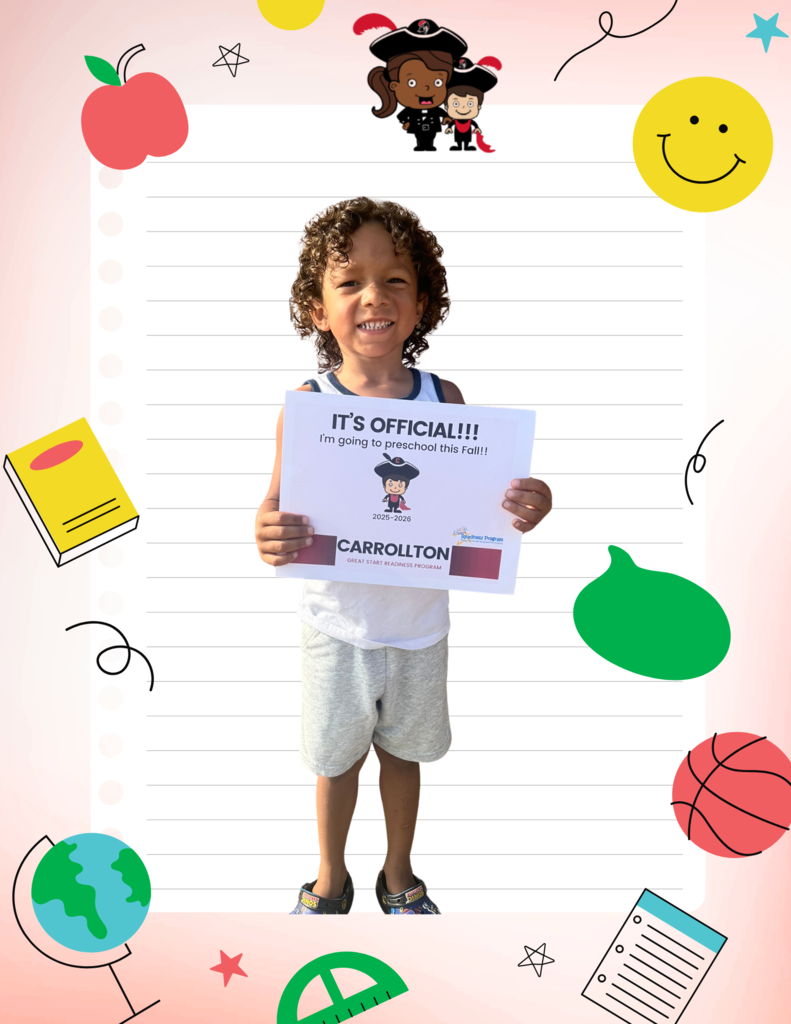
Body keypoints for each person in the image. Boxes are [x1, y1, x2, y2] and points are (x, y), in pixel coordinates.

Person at [254, 197, 553, 914]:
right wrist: (269, 536)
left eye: (394, 280)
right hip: (337, 625)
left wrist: (526, 506)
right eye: (349, 280)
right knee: (334, 760)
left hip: (420, 626)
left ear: (421, 303)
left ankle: (398, 874)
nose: (373, 296)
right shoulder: (307, 402)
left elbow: (484, 508)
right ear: (318, 308)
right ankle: (328, 880)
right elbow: (273, 510)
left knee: (405, 752)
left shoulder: (446, 399)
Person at [356, 16, 468, 152]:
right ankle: (421, 145)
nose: (427, 88)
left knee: (430, 137)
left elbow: (442, 114)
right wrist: (406, 122)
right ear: (394, 86)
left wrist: (446, 119)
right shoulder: (410, 110)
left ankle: (430, 145)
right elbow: (402, 116)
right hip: (417, 127)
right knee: (420, 137)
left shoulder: (436, 109)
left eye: (438, 82)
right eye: (412, 82)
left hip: (432, 127)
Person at [442, 56, 499, 151]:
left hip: (468, 132)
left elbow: (473, 123)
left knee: (467, 139)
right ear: (446, 106)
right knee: (458, 139)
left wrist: (476, 128)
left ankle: (467, 146)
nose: (463, 108)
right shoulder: (455, 121)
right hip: (458, 132)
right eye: (456, 103)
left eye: (470, 104)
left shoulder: (469, 120)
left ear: (479, 106)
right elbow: (452, 124)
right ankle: (459, 146)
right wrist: (449, 128)